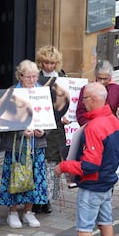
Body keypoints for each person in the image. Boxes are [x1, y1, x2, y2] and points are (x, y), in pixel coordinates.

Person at [55, 82, 119, 236]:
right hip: (107, 183)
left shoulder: (94, 127)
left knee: (84, 230)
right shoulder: (113, 121)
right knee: (106, 223)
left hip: (93, 185)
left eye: (84, 98)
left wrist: (65, 166)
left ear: (93, 100)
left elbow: (90, 164)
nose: (82, 102)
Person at [0, 60, 48, 228]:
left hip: (37, 143)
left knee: (35, 176)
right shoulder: (12, 93)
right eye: (29, 77)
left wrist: (42, 131)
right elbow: (3, 122)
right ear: (20, 76)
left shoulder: (41, 92)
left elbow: (48, 118)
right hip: (16, 146)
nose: (33, 80)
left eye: (35, 76)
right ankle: (12, 212)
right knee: (15, 175)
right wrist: (21, 131)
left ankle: (28, 211)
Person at [35, 45, 68, 214]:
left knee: (54, 163)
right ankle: (37, 199)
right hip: (41, 125)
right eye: (46, 62)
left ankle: (49, 199)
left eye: (52, 63)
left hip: (57, 128)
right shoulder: (36, 78)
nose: (49, 66)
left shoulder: (63, 78)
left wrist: (67, 116)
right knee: (39, 163)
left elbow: (70, 102)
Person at [75, 60, 119, 125]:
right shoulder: (86, 89)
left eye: (105, 79)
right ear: (95, 76)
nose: (102, 82)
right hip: (92, 127)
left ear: (110, 77)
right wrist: (91, 126)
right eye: (99, 78)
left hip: (111, 128)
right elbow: (80, 113)